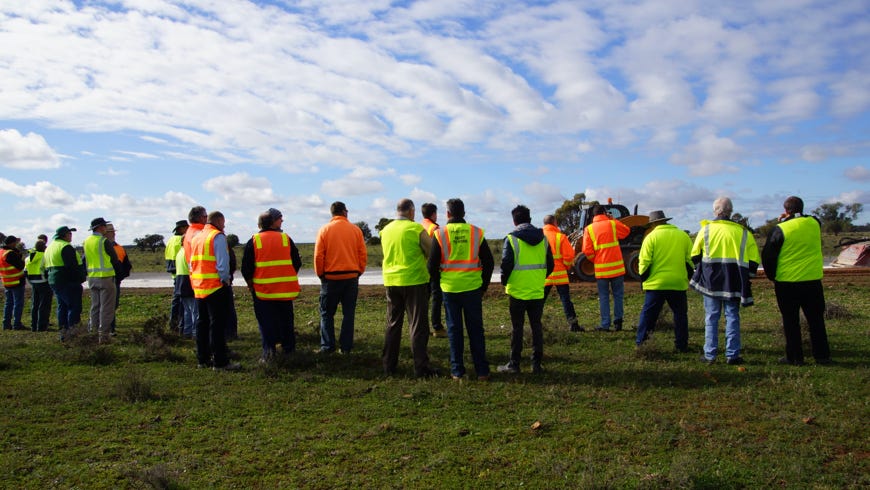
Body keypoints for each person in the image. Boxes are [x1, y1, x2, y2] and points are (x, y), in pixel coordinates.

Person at [428, 198, 494, 381]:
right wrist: (484, 285)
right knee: (476, 330)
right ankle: (482, 371)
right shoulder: (476, 232)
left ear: (448, 214)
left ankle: (457, 371)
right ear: (464, 213)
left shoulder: (440, 234)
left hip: (449, 289)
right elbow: (489, 262)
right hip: (473, 288)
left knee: (454, 329)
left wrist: (439, 283)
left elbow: (431, 265)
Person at [761, 196, 832, 366]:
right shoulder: (814, 223)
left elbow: (768, 256)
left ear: (786, 210)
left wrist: (772, 276)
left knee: (790, 321)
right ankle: (822, 356)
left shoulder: (779, 229)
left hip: (787, 282)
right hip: (812, 280)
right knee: (816, 320)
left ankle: (794, 357)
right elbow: (811, 218)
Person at [690, 197, 759, 365]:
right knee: (732, 316)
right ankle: (732, 355)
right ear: (731, 211)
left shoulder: (705, 230)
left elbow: (695, 255)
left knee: (711, 317)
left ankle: (710, 355)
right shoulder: (744, 232)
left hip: (711, 282)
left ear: (716, 211)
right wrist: (747, 277)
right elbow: (754, 261)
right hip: (734, 281)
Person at [380, 199, 440, 377]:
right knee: (417, 325)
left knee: (392, 324)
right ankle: (421, 367)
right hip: (414, 281)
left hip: (391, 282)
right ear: (412, 211)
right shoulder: (415, 229)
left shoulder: (386, 230)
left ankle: (388, 366)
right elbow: (432, 251)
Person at [497, 205, 553, 374]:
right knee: (536, 326)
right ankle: (536, 364)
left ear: (514, 221)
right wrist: (538, 278)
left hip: (517, 291)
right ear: (529, 219)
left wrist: (504, 281)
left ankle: (514, 364)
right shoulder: (543, 239)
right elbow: (550, 264)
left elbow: (505, 264)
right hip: (536, 289)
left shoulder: (512, 239)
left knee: (517, 328)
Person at [241, 208, 302, 361]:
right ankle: (289, 351)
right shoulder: (285, 238)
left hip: (263, 291)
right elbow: (297, 262)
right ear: (272, 223)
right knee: (286, 322)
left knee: (266, 323)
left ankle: (269, 353)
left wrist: (250, 284)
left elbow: (246, 268)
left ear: (259, 225)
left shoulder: (254, 240)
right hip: (284, 290)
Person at [634, 210, 694, 352]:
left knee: (648, 316)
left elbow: (644, 263)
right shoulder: (682, 236)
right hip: (678, 283)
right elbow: (690, 260)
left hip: (656, 284)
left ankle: (642, 343)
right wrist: (686, 275)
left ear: (653, 223)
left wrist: (643, 279)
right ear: (666, 220)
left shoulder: (650, 237)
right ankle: (681, 345)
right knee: (680, 315)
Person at [314, 201, 367, 354]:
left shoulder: (324, 230)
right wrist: (359, 271)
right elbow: (362, 254)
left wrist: (321, 274)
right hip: (351, 277)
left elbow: (319, 255)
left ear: (332, 213)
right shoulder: (356, 230)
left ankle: (327, 346)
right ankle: (346, 347)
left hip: (330, 278)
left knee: (326, 313)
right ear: (344, 212)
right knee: (348, 314)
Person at [190, 211, 240, 371]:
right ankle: (220, 361)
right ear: (218, 221)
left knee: (201, 323)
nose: (224, 226)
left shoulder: (197, 237)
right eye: (223, 222)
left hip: (199, 286)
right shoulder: (217, 236)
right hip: (216, 286)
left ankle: (202, 359)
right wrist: (225, 281)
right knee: (217, 325)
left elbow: (192, 263)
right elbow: (222, 264)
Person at [582, 204, 630, 331]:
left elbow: (587, 251)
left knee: (604, 297)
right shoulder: (612, 224)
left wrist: (596, 260)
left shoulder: (589, 229)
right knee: (618, 295)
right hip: (617, 269)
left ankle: (605, 325)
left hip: (601, 269)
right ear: (605, 213)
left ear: (593, 215)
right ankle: (618, 323)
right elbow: (626, 231)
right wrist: (612, 219)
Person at [542, 214, 583, 332]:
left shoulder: (539, 237)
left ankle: (535, 324)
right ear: (554, 223)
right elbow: (569, 256)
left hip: (544, 275)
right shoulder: (560, 237)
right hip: (560, 274)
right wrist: (566, 266)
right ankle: (573, 325)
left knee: (539, 301)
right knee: (566, 300)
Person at [44, 226, 86, 340]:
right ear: (64, 235)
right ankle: (73, 333)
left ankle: (63, 333)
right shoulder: (65, 247)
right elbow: (72, 266)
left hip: (55, 280)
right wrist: (80, 278)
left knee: (62, 307)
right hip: (68, 281)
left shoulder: (50, 247)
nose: (71, 235)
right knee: (74, 307)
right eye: (69, 233)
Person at [83, 217, 120, 342]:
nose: (106, 228)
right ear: (100, 227)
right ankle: (103, 336)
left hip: (92, 278)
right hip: (105, 278)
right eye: (104, 226)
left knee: (95, 306)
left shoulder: (86, 241)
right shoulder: (103, 241)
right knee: (107, 308)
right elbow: (114, 259)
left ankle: (92, 333)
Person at [420, 202, 447, 338]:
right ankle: (437, 327)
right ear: (433, 214)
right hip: (434, 267)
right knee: (437, 298)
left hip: (422, 268)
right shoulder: (435, 228)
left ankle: (423, 328)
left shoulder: (419, 226)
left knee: (424, 300)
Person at [105, 223, 132, 335]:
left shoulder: (120, 248)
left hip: (115, 280)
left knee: (113, 305)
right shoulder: (102, 247)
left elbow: (127, 265)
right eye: (111, 231)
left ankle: (110, 328)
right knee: (105, 305)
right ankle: (107, 328)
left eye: (113, 231)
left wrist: (120, 276)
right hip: (105, 279)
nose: (114, 233)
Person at [25, 239, 52, 331]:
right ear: (44, 247)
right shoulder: (44, 256)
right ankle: (42, 326)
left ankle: (33, 325)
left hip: (34, 282)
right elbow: (47, 270)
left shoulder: (28, 258)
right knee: (44, 305)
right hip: (44, 282)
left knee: (35, 305)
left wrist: (31, 280)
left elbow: (25, 271)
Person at [166, 220, 188, 331]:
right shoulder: (182, 240)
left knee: (176, 301)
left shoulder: (170, 240)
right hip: (181, 274)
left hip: (175, 274)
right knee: (182, 303)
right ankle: (180, 325)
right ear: (182, 229)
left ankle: (173, 324)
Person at [1, 235, 26, 330]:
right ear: (12, 243)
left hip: (7, 282)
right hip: (16, 281)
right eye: (15, 242)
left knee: (8, 303)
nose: (16, 244)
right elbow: (20, 266)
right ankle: (17, 324)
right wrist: (22, 259)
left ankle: (6, 324)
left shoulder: (1, 252)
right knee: (18, 303)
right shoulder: (10, 253)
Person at [174, 245, 196, 339]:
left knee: (187, 310)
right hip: (189, 283)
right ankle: (195, 333)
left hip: (180, 284)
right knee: (195, 311)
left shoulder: (179, 252)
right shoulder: (189, 252)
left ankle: (187, 331)